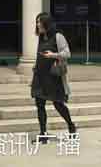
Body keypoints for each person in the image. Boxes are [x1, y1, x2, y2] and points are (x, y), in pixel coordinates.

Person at [30, 12, 77, 144]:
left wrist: (53, 55)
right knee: (39, 105)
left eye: (39, 21)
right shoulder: (41, 37)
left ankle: (71, 126)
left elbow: (67, 53)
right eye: (37, 21)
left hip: (53, 76)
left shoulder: (58, 36)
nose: (37, 24)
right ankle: (43, 134)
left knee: (58, 104)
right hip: (39, 75)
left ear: (47, 23)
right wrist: (36, 65)